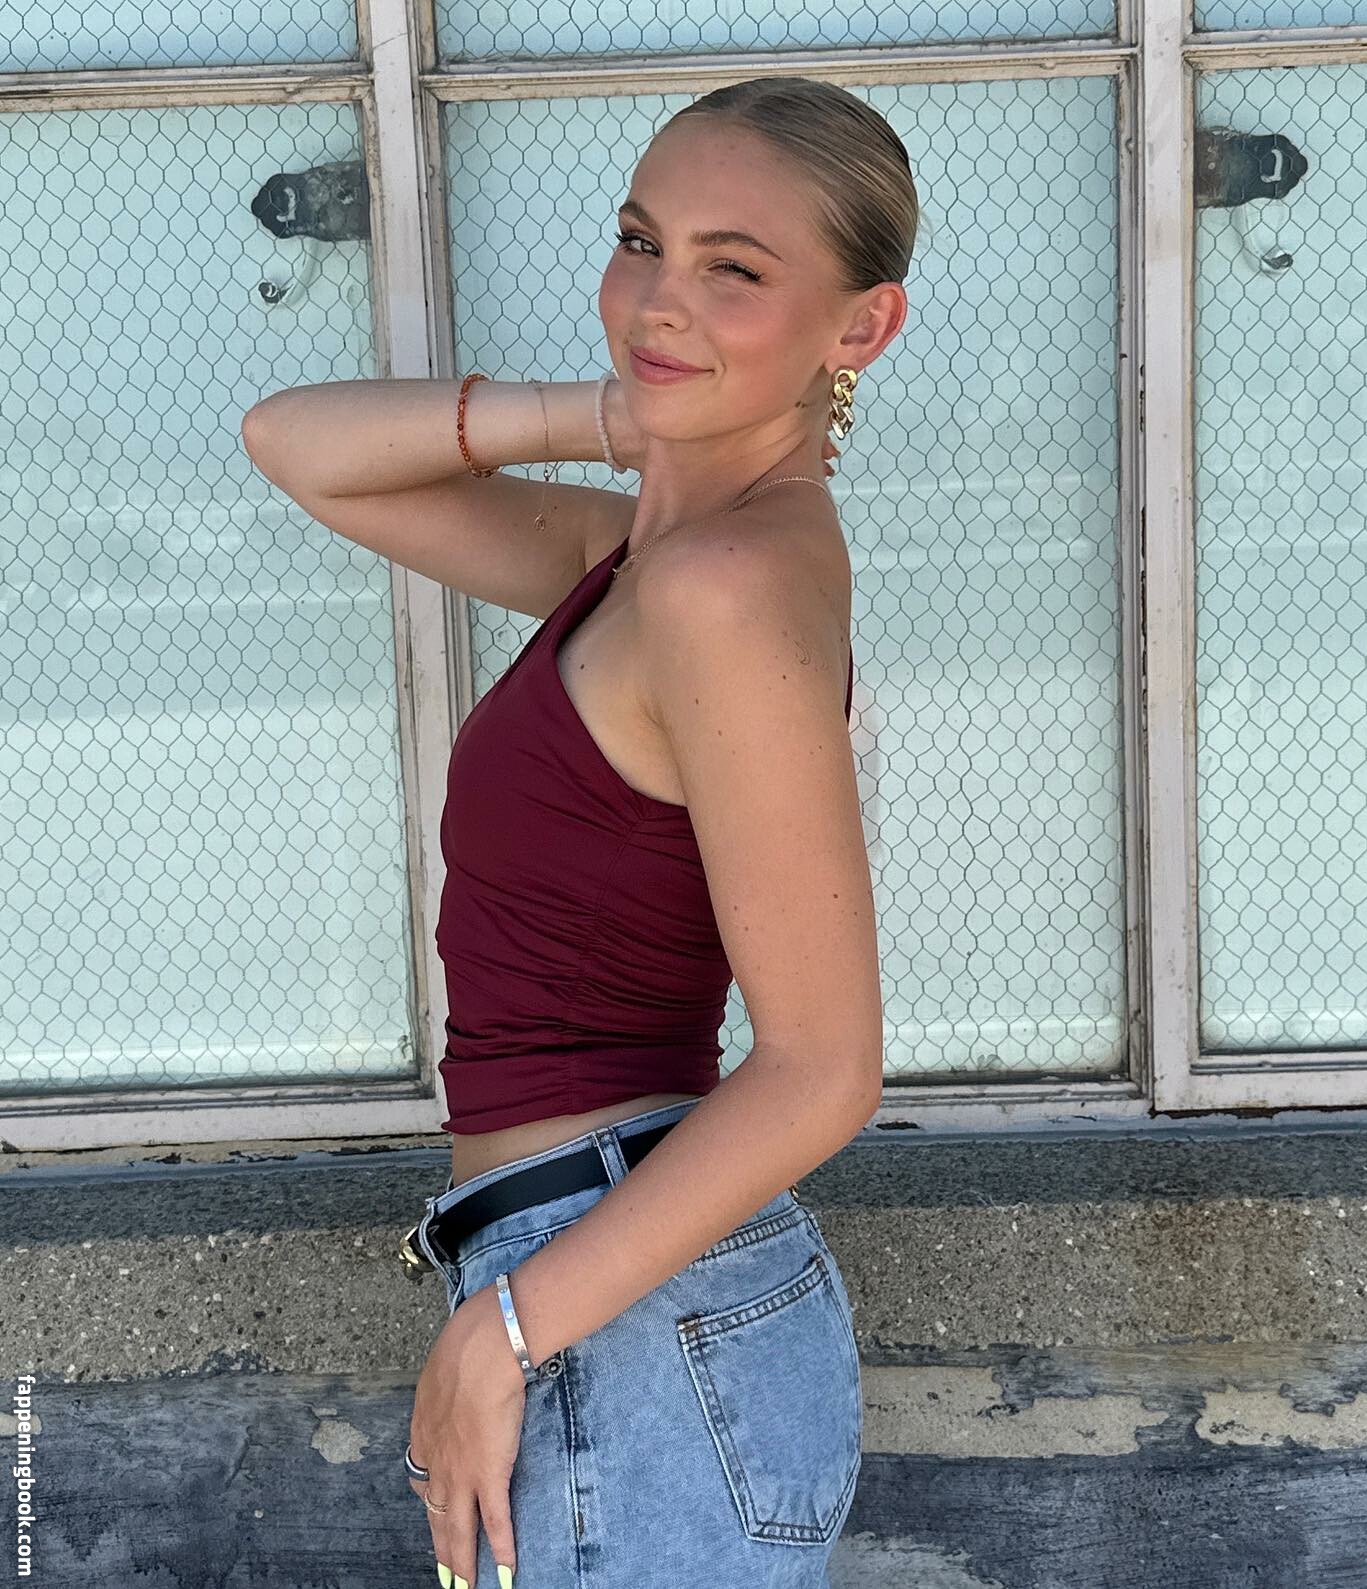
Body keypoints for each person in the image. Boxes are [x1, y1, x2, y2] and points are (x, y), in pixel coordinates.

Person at [242, 73, 914, 1589]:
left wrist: (509, 1329)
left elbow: (826, 1067)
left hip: (619, 1320)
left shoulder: (720, 588)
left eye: (734, 270)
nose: (660, 298)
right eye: (641, 240)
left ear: (861, 327)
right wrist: (622, 416)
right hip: (609, 1291)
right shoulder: (650, 554)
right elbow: (294, 442)